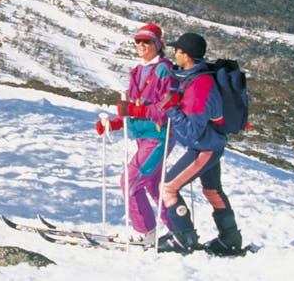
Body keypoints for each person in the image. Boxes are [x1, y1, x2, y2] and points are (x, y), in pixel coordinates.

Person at [157, 32, 244, 255]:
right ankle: (230, 239)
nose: (174, 54)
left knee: (168, 187)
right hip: (212, 145)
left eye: (177, 51)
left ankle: (183, 238)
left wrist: (171, 111)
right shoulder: (198, 78)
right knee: (212, 190)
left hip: (204, 147)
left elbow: (191, 132)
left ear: (186, 55)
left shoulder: (199, 87)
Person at [95, 23, 175, 242]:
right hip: (143, 136)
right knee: (153, 184)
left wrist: (136, 110)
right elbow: (129, 106)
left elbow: (167, 108)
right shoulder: (137, 71)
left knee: (130, 181)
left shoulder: (165, 70)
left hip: (159, 136)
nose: (141, 45)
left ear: (158, 44)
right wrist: (115, 123)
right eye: (138, 41)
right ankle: (180, 230)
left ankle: (146, 232)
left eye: (147, 41)